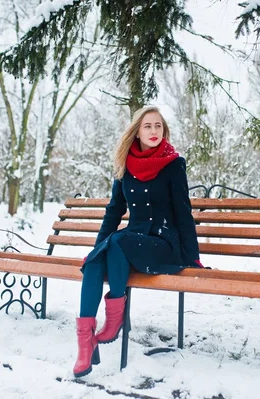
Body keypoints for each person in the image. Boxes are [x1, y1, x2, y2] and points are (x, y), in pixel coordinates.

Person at [73, 106, 205, 377]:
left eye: (158, 126)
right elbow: (114, 211)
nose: (154, 131)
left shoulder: (173, 164)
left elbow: (183, 211)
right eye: (148, 126)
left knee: (117, 242)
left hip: (164, 246)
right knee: (98, 259)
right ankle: (85, 345)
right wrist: (95, 248)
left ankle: (113, 323)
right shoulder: (125, 166)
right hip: (130, 244)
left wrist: (193, 257)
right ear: (137, 132)